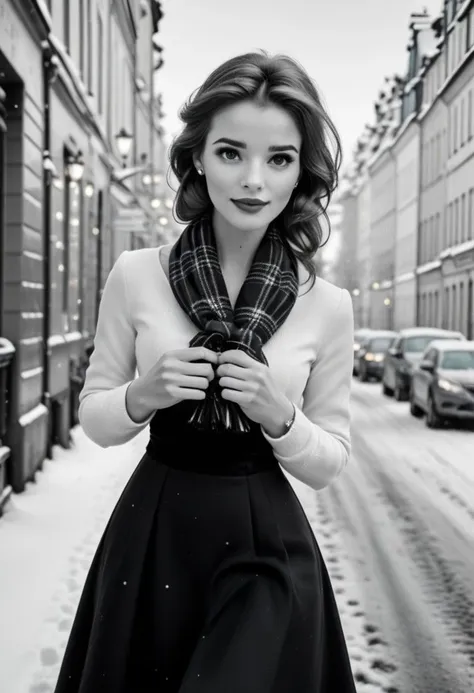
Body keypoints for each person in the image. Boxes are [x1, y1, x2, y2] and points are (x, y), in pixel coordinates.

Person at [54, 51, 356, 693]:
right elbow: (95, 419)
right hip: (157, 526)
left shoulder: (327, 306)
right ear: (197, 157)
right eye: (230, 153)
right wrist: (144, 394)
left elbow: (329, 463)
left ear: (301, 172)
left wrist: (280, 416)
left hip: (265, 542)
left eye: (279, 159)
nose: (253, 180)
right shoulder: (137, 274)